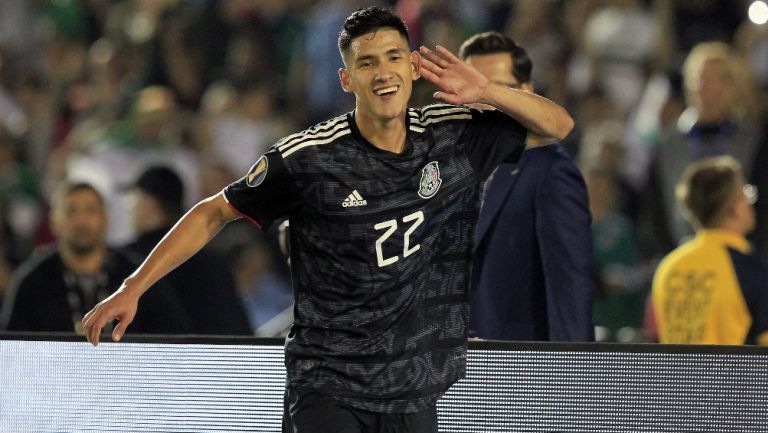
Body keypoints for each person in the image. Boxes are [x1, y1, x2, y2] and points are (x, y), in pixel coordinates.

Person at [81, 6, 573, 432]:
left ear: (414, 68)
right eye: (367, 63)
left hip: (413, 386)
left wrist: (489, 89)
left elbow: (558, 127)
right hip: (329, 385)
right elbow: (213, 212)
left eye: (394, 57)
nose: (383, 73)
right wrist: (133, 286)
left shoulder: (454, 137)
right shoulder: (307, 159)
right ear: (346, 79)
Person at [459, 31, 595, 342]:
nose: (486, 101)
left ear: (527, 93)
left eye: (499, 88)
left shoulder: (551, 171)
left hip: (520, 377)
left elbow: (569, 290)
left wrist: (572, 379)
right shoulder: (448, 170)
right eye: (474, 88)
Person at [0, 182, 190, 334]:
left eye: (90, 210)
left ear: (105, 218)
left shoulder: (136, 275)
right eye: (71, 211)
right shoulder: (32, 282)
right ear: (54, 222)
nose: (81, 221)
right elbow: (13, 349)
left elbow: (174, 335)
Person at [651, 156, 768, 345]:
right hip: (731, 374)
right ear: (733, 207)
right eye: (746, 194)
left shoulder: (668, 266)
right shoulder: (750, 269)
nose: (750, 203)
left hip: (677, 374)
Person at [126, 166, 252, 335]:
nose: (129, 208)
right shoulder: (214, 262)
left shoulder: (127, 260)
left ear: (149, 204)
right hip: (215, 358)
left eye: (134, 198)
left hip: (154, 359)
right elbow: (239, 330)